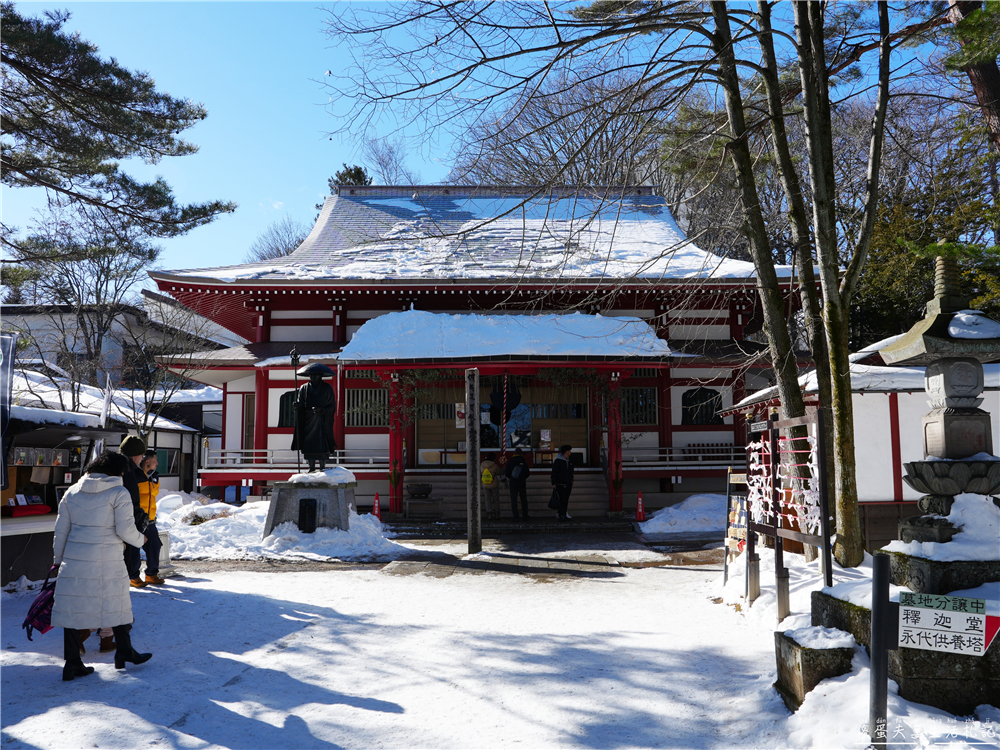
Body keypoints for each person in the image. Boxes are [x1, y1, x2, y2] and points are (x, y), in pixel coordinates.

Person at [51, 450, 153, 681]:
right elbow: (125, 530)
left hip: (74, 559)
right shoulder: (119, 492)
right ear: (117, 471)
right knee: (117, 603)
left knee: (72, 608)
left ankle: (72, 663)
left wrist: (58, 560)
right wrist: (142, 539)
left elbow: (61, 530)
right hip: (108, 558)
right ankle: (125, 651)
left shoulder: (72, 491)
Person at [291, 363, 337, 471]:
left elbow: (332, 405)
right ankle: (311, 467)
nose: (313, 377)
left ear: (321, 375)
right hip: (308, 419)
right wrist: (297, 405)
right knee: (309, 444)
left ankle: (322, 467)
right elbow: (301, 403)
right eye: (311, 374)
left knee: (322, 443)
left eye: (316, 374)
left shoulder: (327, 388)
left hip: (321, 419)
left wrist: (323, 410)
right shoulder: (304, 388)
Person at [118, 435, 149, 588]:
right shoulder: (128, 472)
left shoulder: (115, 469)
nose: (142, 459)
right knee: (126, 563)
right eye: (141, 455)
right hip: (125, 526)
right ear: (134, 455)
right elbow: (131, 504)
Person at [138, 450, 164, 585]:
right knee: (133, 548)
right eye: (155, 460)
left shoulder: (155, 476)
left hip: (150, 518)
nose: (157, 463)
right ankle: (133, 576)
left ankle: (151, 574)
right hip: (136, 518)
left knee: (155, 545)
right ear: (147, 461)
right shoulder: (135, 475)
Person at [504, 448, 531, 521]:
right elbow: (527, 473)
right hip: (522, 483)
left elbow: (506, 472)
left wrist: (512, 478)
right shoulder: (523, 462)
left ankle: (516, 516)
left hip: (513, 484)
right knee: (524, 500)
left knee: (514, 501)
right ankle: (525, 515)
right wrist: (522, 478)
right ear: (521, 454)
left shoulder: (510, 462)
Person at [550, 444, 574, 520]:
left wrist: (571, 479)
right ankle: (562, 514)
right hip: (560, 483)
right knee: (563, 499)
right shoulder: (558, 461)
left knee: (565, 499)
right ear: (566, 452)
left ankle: (561, 513)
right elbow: (554, 472)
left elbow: (571, 471)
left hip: (568, 482)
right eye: (569, 451)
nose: (570, 452)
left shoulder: (569, 461)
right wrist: (554, 483)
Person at [480, 452, 502, 520]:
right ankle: (497, 514)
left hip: (485, 484)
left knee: (487, 499)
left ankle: (489, 514)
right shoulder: (494, 465)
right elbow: (500, 472)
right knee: (495, 499)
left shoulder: (482, 465)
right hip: (494, 484)